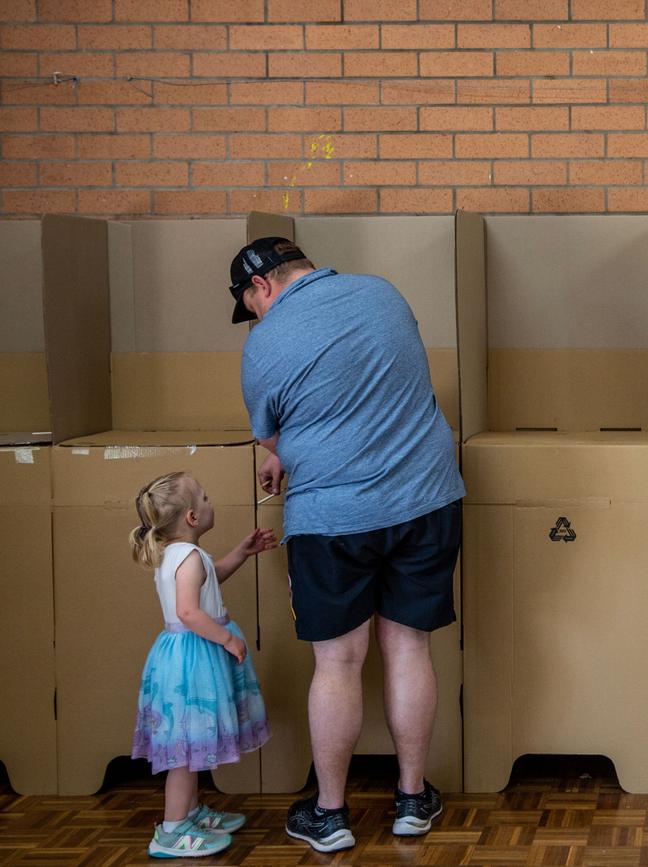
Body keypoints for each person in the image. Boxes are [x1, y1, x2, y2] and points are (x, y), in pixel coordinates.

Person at [227, 237, 466, 853]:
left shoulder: (265, 342)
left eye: (250, 305)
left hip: (333, 515)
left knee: (338, 663)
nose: (255, 317)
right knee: (409, 645)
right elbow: (393, 387)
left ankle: (330, 815)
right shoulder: (384, 293)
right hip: (425, 497)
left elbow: (273, 435)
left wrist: (284, 455)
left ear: (261, 287)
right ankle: (413, 799)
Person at [129, 470, 275, 859]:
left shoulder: (178, 554)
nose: (212, 503)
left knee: (191, 745)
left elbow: (211, 581)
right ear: (192, 517)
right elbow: (189, 611)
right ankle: (172, 831)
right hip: (195, 658)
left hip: (184, 655)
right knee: (185, 750)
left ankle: (190, 813)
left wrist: (241, 553)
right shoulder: (189, 557)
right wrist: (227, 638)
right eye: (206, 498)